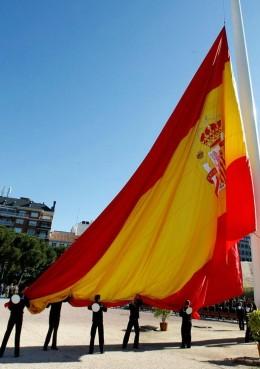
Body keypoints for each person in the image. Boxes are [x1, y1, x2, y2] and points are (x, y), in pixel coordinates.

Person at [0, 289, 29, 357]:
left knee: (7, 333)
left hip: (12, 316)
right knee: (17, 335)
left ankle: (1, 352)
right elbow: (28, 305)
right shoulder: (25, 298)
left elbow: (10, 307)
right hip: (19, 317)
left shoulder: (14, 296)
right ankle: (16, 353)